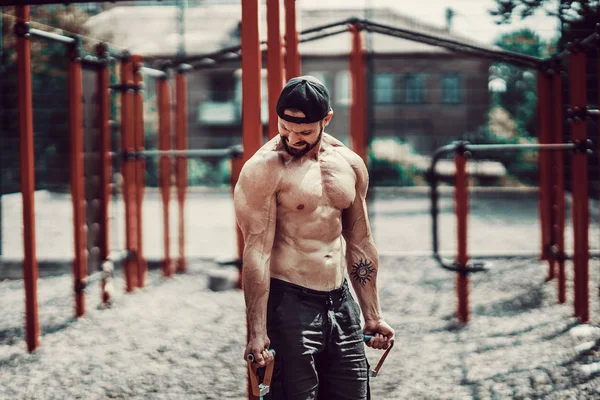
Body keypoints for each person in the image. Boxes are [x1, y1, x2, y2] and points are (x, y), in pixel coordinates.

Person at [234, 75, 394, 400]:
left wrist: (373, 315)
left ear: (326, 120)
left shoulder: (349, 164)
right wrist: (256, 331)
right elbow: (256, 253)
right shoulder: (264, 169)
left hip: (341, 301)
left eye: (304, 131)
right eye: (284, 127)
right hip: (289, 303)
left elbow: (360, 242)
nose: (292, 138)